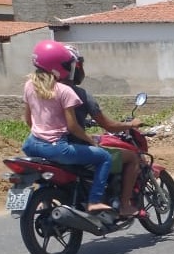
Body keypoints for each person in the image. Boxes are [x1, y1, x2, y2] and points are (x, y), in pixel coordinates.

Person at [21, 40, 114, 214]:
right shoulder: (65, 91)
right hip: (57, 148)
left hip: (31, 145)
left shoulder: (28, 86)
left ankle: (46, 199)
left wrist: (42, 130)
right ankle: (94, 201)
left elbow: (28, 120)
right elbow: (73, 127)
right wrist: (91, 141)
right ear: (57, 67)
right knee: (104, 157)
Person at [62, 46, 145, 218]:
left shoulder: (44, 92)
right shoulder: (80, 95)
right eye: (80, 65)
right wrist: (131, 124)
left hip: (50, 146)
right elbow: (110, 126)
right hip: (75, 149)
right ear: (74, 67)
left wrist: (83, 122)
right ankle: (124, 205)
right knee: (132, 158)